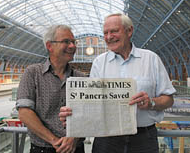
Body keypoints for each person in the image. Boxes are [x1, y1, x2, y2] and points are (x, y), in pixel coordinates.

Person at [59, 13, 176, 153]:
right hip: (107, 140)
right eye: (105, 33)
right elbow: (90, 102)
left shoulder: (151, 59)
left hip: (143, 139)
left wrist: (151, 102)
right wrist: (74, 115)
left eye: (114, 31)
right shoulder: (99, 63)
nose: (109, 37)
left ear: (129, 31)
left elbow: (168, 99)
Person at [16, 25, 85, 153]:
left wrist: (73, 138)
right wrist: (54, 140)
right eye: (66, 42)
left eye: (73, 42)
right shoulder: (33, 73)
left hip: (75, 148)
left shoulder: (81, 78)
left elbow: (88, 113)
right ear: (49, 46)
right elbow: (24, 112)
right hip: (43, 148)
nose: (72, 46)